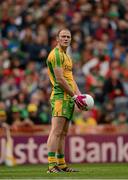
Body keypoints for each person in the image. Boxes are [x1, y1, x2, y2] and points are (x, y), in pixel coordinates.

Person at [46, 28, 87, 173]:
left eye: (68, 37)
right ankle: (51, 165)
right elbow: (60, 80)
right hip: (59, 97)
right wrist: (74, 96)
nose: (66, 39)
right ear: (57, 38)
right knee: (56, 131)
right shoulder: (56, 54)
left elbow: (70, 79)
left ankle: (62, 164)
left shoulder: (67, 56)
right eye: (63, 36)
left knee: (63, 133)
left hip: (68, 97)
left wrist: (79, 95)